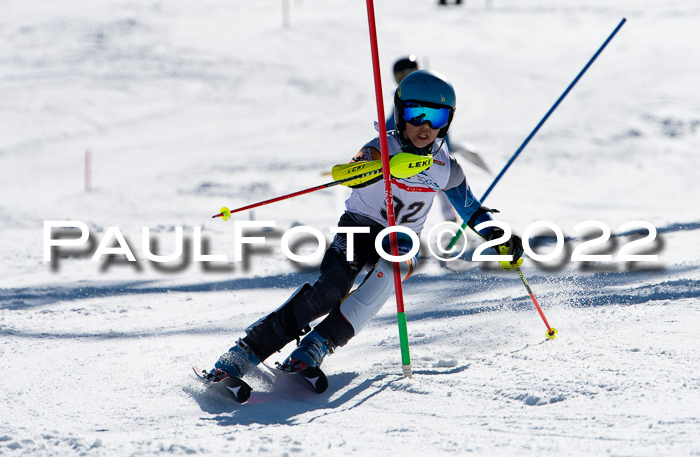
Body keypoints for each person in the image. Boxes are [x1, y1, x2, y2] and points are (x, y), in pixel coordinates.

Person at [203, 70, 524, 388]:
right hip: (359, 229)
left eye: (436, 116)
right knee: (330, 290)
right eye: (416, 113)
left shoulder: (446, 168)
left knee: (393, 271)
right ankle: (244, 352)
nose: (424, 126)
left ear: (447, 122)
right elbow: (347, 173)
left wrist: (499, 235)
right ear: (400, 113)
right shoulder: (381, 147)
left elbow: (472, 210)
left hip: (401, 241)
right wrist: (384, 168)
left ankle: (316, 346)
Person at [387, 56, 459, 221]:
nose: (403, 79)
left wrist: (445, 148)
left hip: (430, 151)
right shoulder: (402, 98)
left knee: (441, 185)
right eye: (399, 76)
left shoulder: (429, 96)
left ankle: (451, 220)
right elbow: (393, 123)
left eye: (407, 74)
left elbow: (440, 125)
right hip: (406, 151)